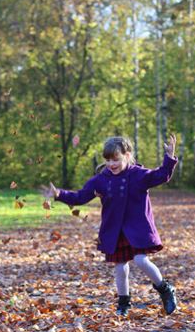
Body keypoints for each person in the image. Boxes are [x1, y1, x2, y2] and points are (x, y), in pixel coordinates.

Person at [45, 135, 178, 316]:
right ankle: (124, 303)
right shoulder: (101, 180)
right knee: (120, 266)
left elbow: (161, 175)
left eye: (116, 159)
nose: (111, 164)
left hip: (138, 228)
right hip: (115, 230)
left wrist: (169, 158)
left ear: (127, 155)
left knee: (140, 260)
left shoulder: (138, 175)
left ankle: (165, 289)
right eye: (108, 160)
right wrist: (59, 194)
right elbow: (80, 197)